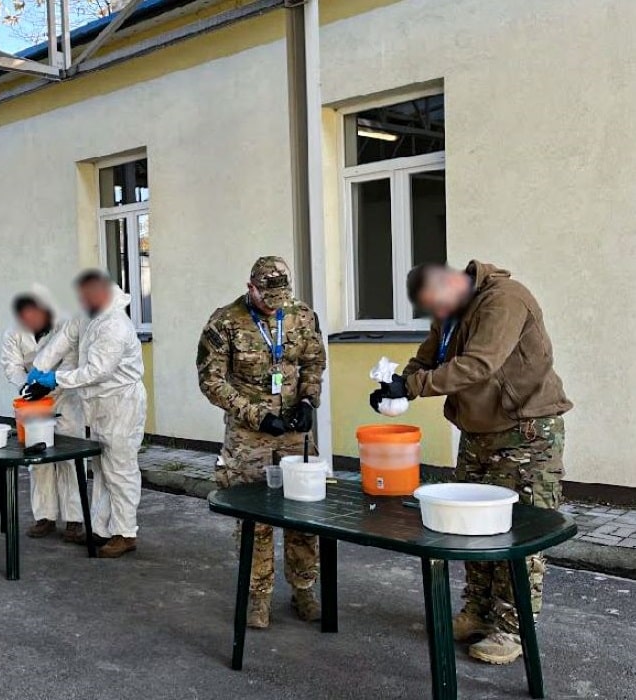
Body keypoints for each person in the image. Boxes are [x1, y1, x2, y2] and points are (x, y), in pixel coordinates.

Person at [372, 261, 572, 665]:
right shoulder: (450, 310)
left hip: (525, 432)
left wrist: (412, 386)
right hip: (478, 434)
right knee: (471, 528)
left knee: (520, 531)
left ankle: (512, 628)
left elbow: (480, 364)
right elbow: (427, 359)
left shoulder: (505, 299)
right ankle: (478, 612)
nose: (437, 315)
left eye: (438, 306)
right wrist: (396, 387)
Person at [196, 256, 327, 629]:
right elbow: (211, 381)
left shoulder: (302, 315)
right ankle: (258, 596)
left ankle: (304, 588)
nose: (274, 306)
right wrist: (256, 415)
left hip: (295, 434)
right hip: (249, 436)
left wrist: (308, 400)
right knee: (255, 519)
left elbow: (314, 362)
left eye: (280, 299)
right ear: (250, 288)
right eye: (267, 299)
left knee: (303, 513)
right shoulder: (224, 323)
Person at [30, 270, 146, 559]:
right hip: (99, 405)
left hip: (121, 404)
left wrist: (55, 379)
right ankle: (102, 529)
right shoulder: (89, 315)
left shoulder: (115, 325)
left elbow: (97, 371)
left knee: (120, 469)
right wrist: (38, 368)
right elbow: (63, 339)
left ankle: (125, 533)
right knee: (102, 467)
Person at [0, 286, 86, 543]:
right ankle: (45, 516)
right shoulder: (13, 332)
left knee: (70, 459)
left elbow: (71, 362)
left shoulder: (64, 326)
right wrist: (26, 387)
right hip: (32, 403)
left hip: (65, 399)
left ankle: (74, 518)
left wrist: (49, 386)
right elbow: (11, 365)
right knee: (37, 459)